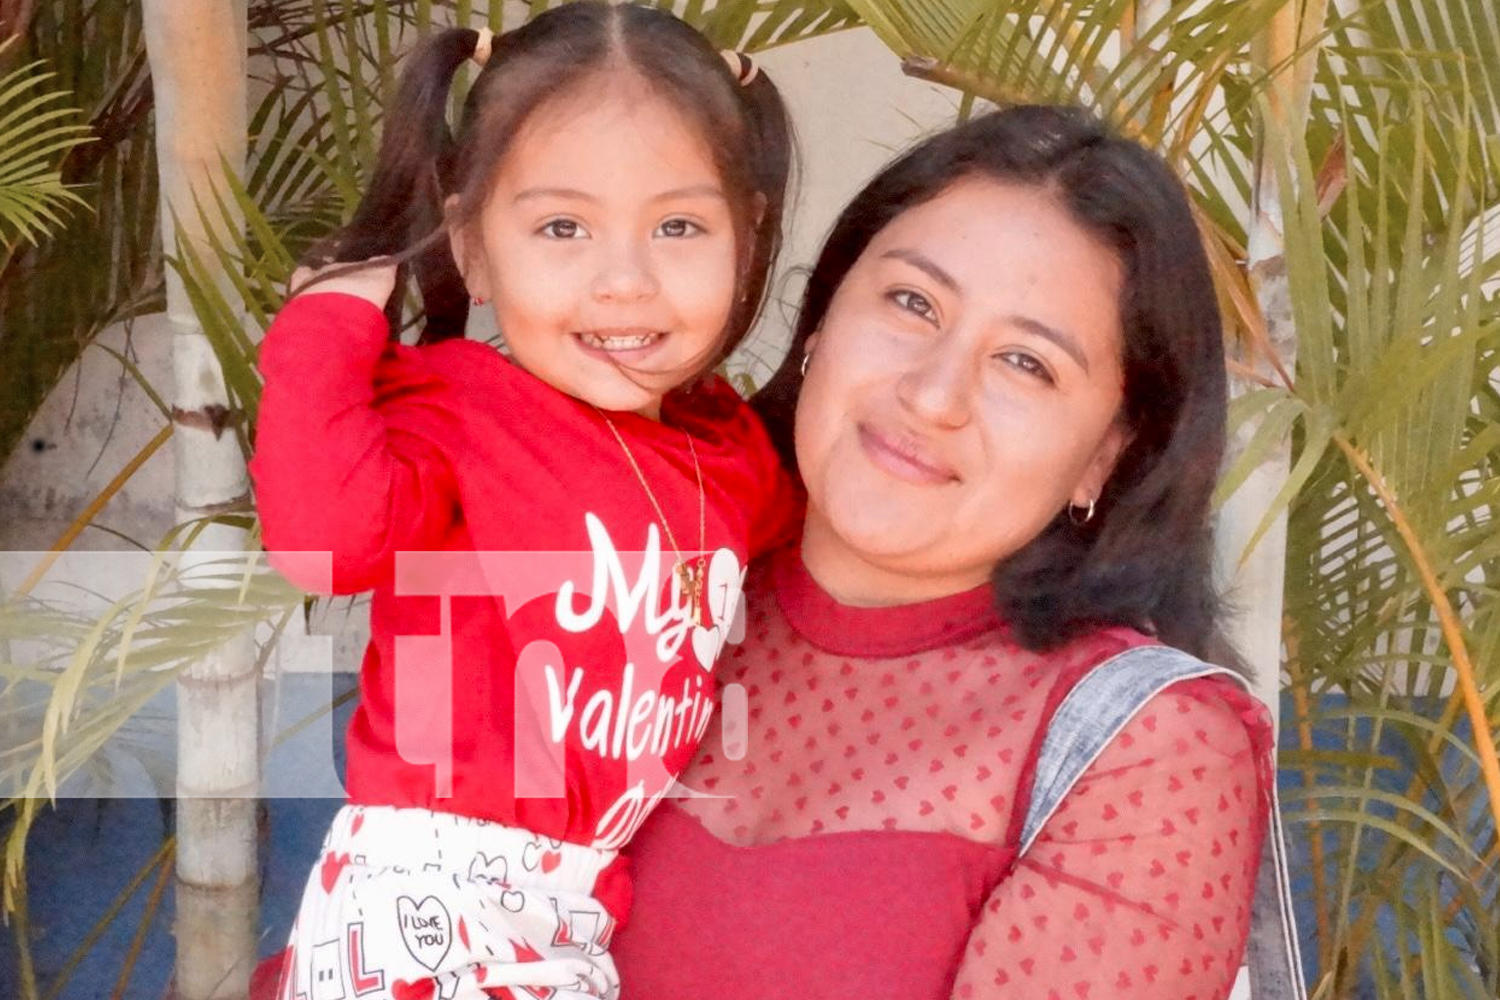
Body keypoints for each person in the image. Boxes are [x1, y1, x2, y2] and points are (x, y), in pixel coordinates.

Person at [611, 105, 1280, 1000]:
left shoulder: (1153, 752)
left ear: (1105, 454)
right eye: (912, 302)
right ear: (819, 323)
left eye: (1026, 364)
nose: (933, 395)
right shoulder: (628, 589)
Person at [248, 5, 794, 999]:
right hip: (429, 899)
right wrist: (325, 325)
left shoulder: (732, 455)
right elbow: (322, 544)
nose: (623, 282)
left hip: (580, 898)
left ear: (747, 236)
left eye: (679, 225)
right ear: (474, 249)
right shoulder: (464, 407)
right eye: (561, 227)